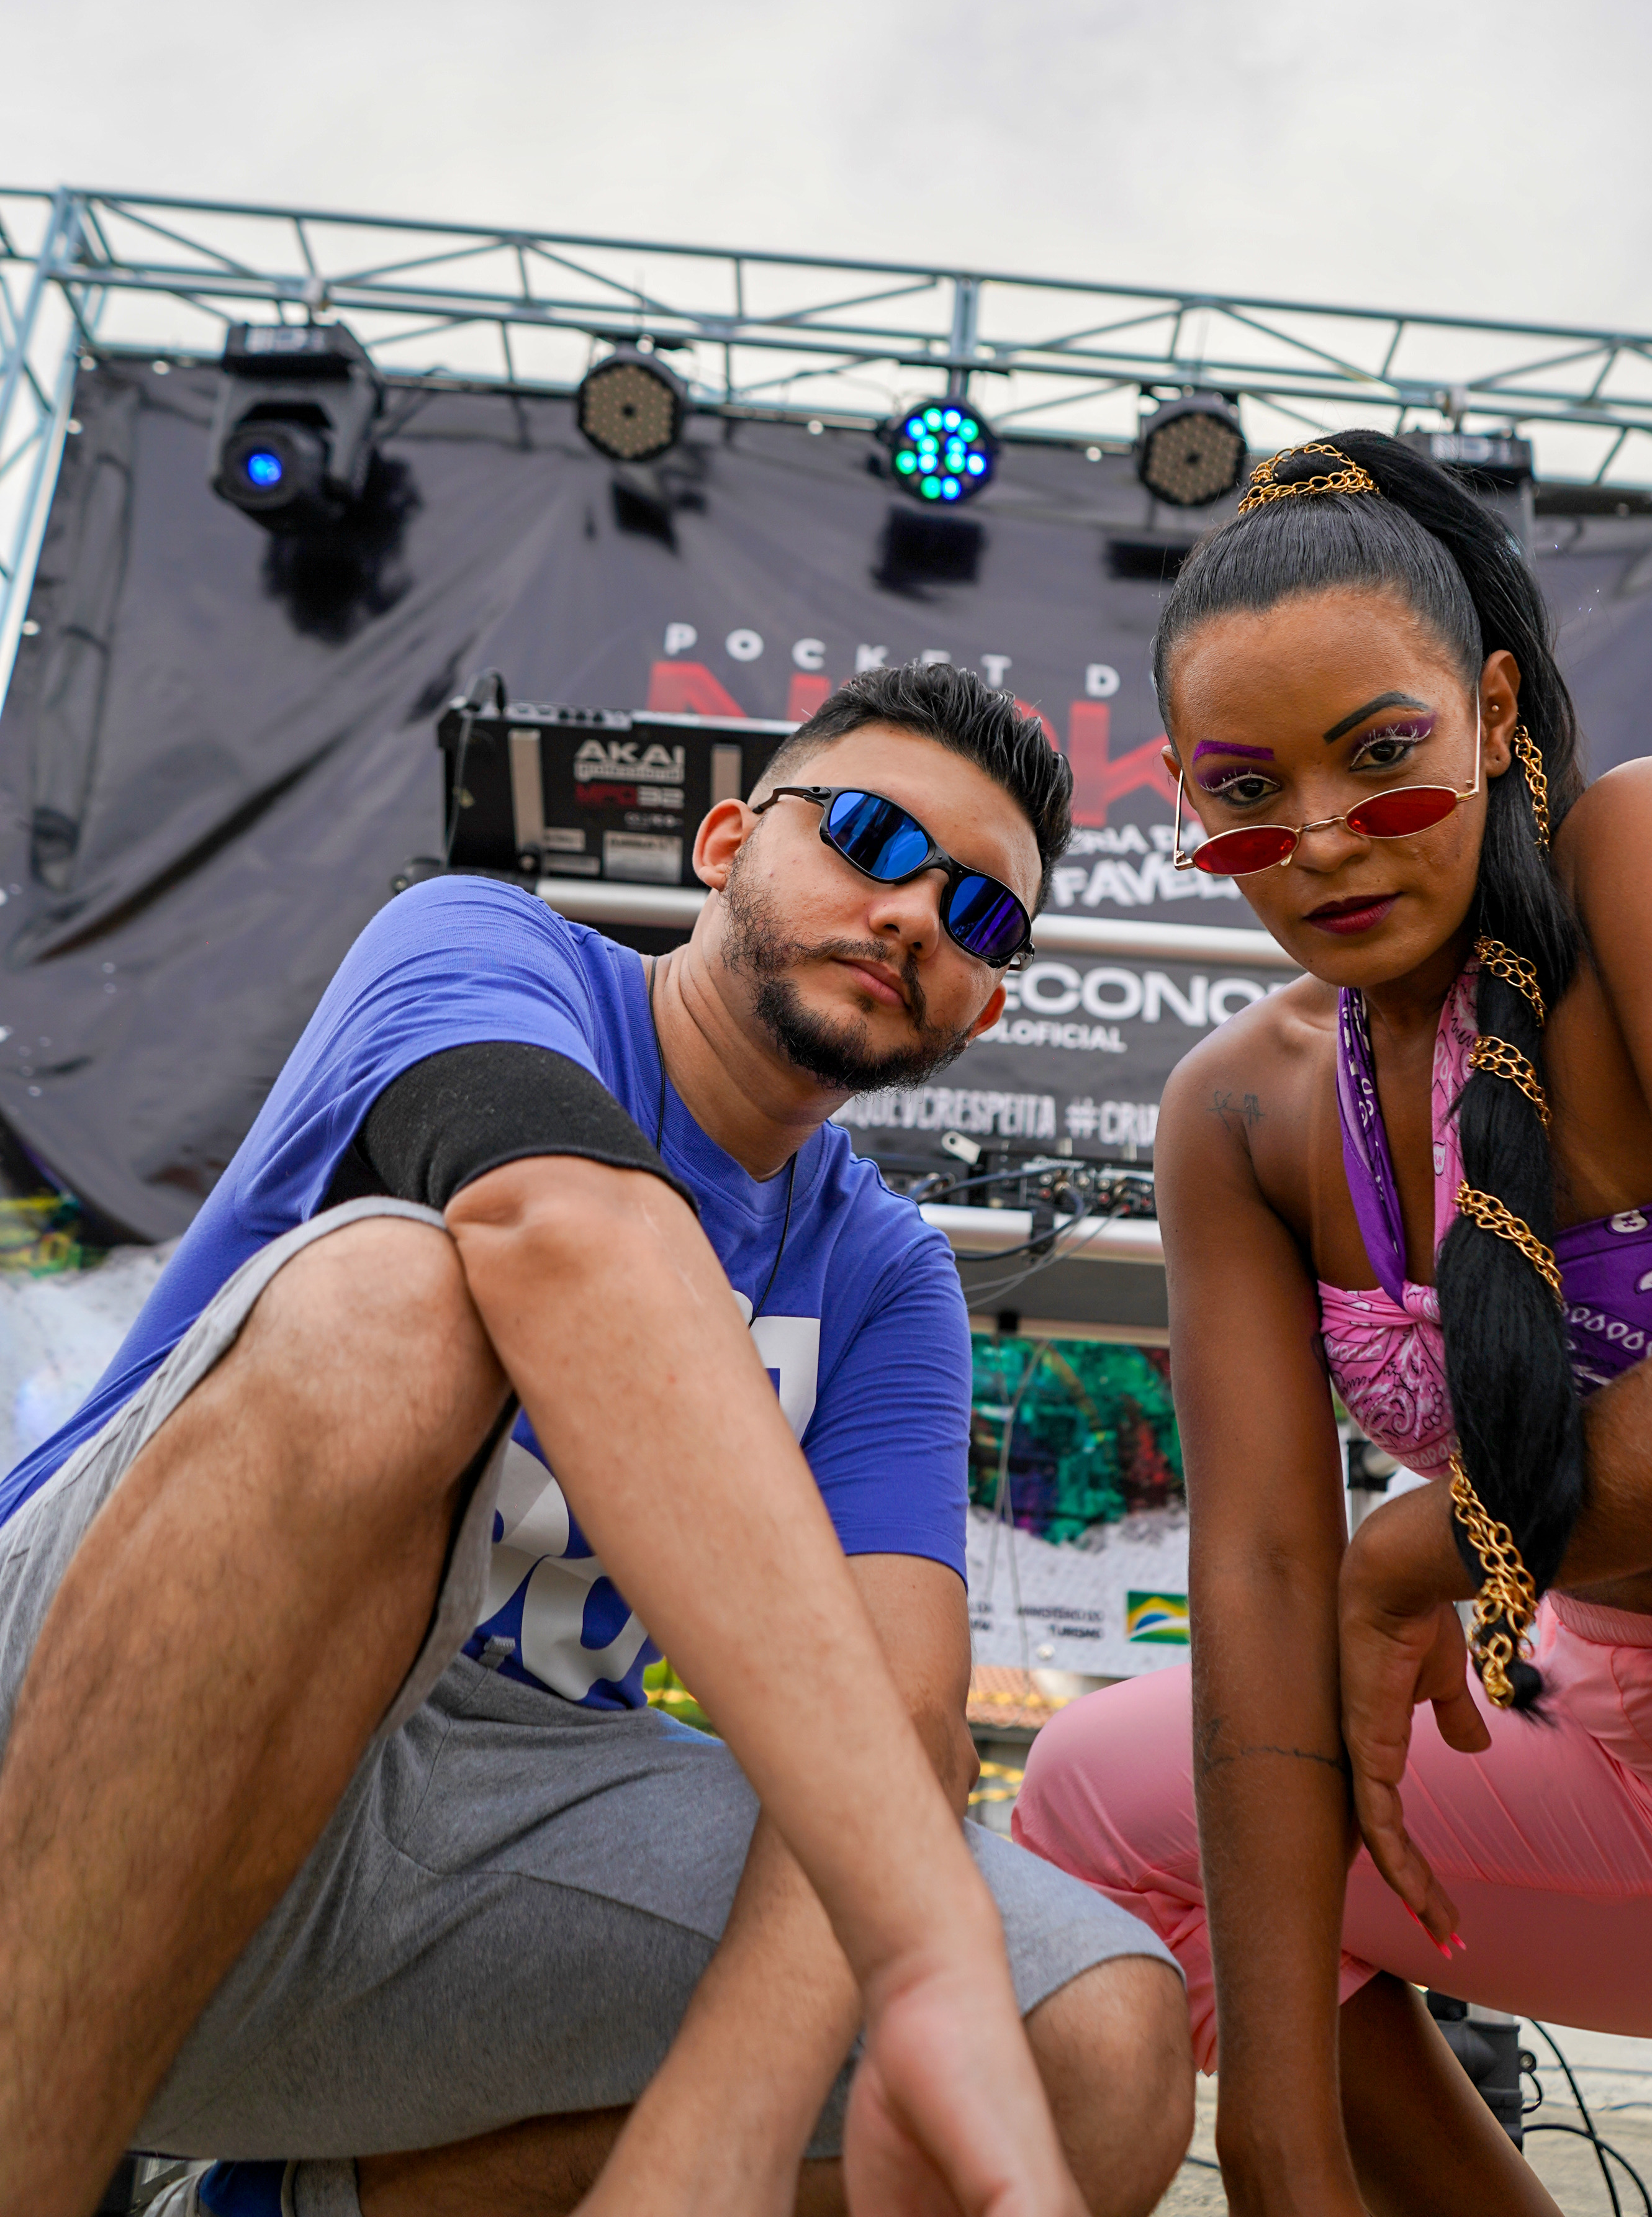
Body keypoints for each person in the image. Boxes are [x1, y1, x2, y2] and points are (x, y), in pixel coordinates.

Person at [0, 662, 1193, 2217]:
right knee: (399, 1301)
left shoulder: (887, 1274)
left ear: (988, 1005)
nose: (914, 913)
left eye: (979, 917)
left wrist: (727, 2122)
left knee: (1093, 2048)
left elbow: (902, 1717)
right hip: (82, 1724)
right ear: (724, 843)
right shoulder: (480, 944)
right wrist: (915, 1945)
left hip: (472, 1831)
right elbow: (562, 1233)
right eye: (868, 838)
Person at [1013, 434, 1652, 2213]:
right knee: (1094, 1804)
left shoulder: (1650, 849)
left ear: (1494, 711)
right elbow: (1260, 1585)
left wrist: (1418, 1550)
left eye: (1380, 759)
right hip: (1623, 1770)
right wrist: (1278, 2141)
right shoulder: (1241, 1110)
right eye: (1245, 794)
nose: (1319, 843)